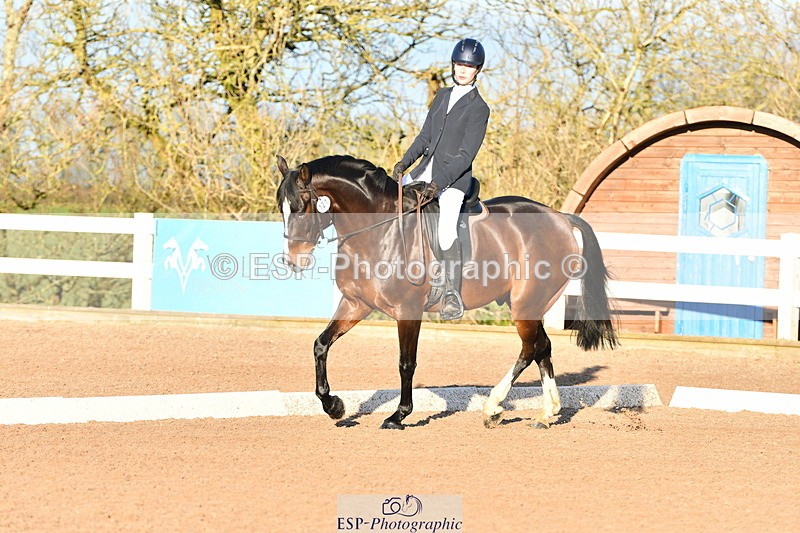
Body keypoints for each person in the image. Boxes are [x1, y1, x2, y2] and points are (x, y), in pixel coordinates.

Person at [392, 38, 490, 321]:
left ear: (477, 70)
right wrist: (404, 162)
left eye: (469, 66)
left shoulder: (479, 108)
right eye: (459, 64)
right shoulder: (442, 96)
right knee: (390, 203)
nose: (462, 70)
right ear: (453, 65)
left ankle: (451, 293)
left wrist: (441, 183)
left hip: (454, 181)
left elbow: (465, 154)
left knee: (446, 231)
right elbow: (425, 137)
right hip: (423, 171)